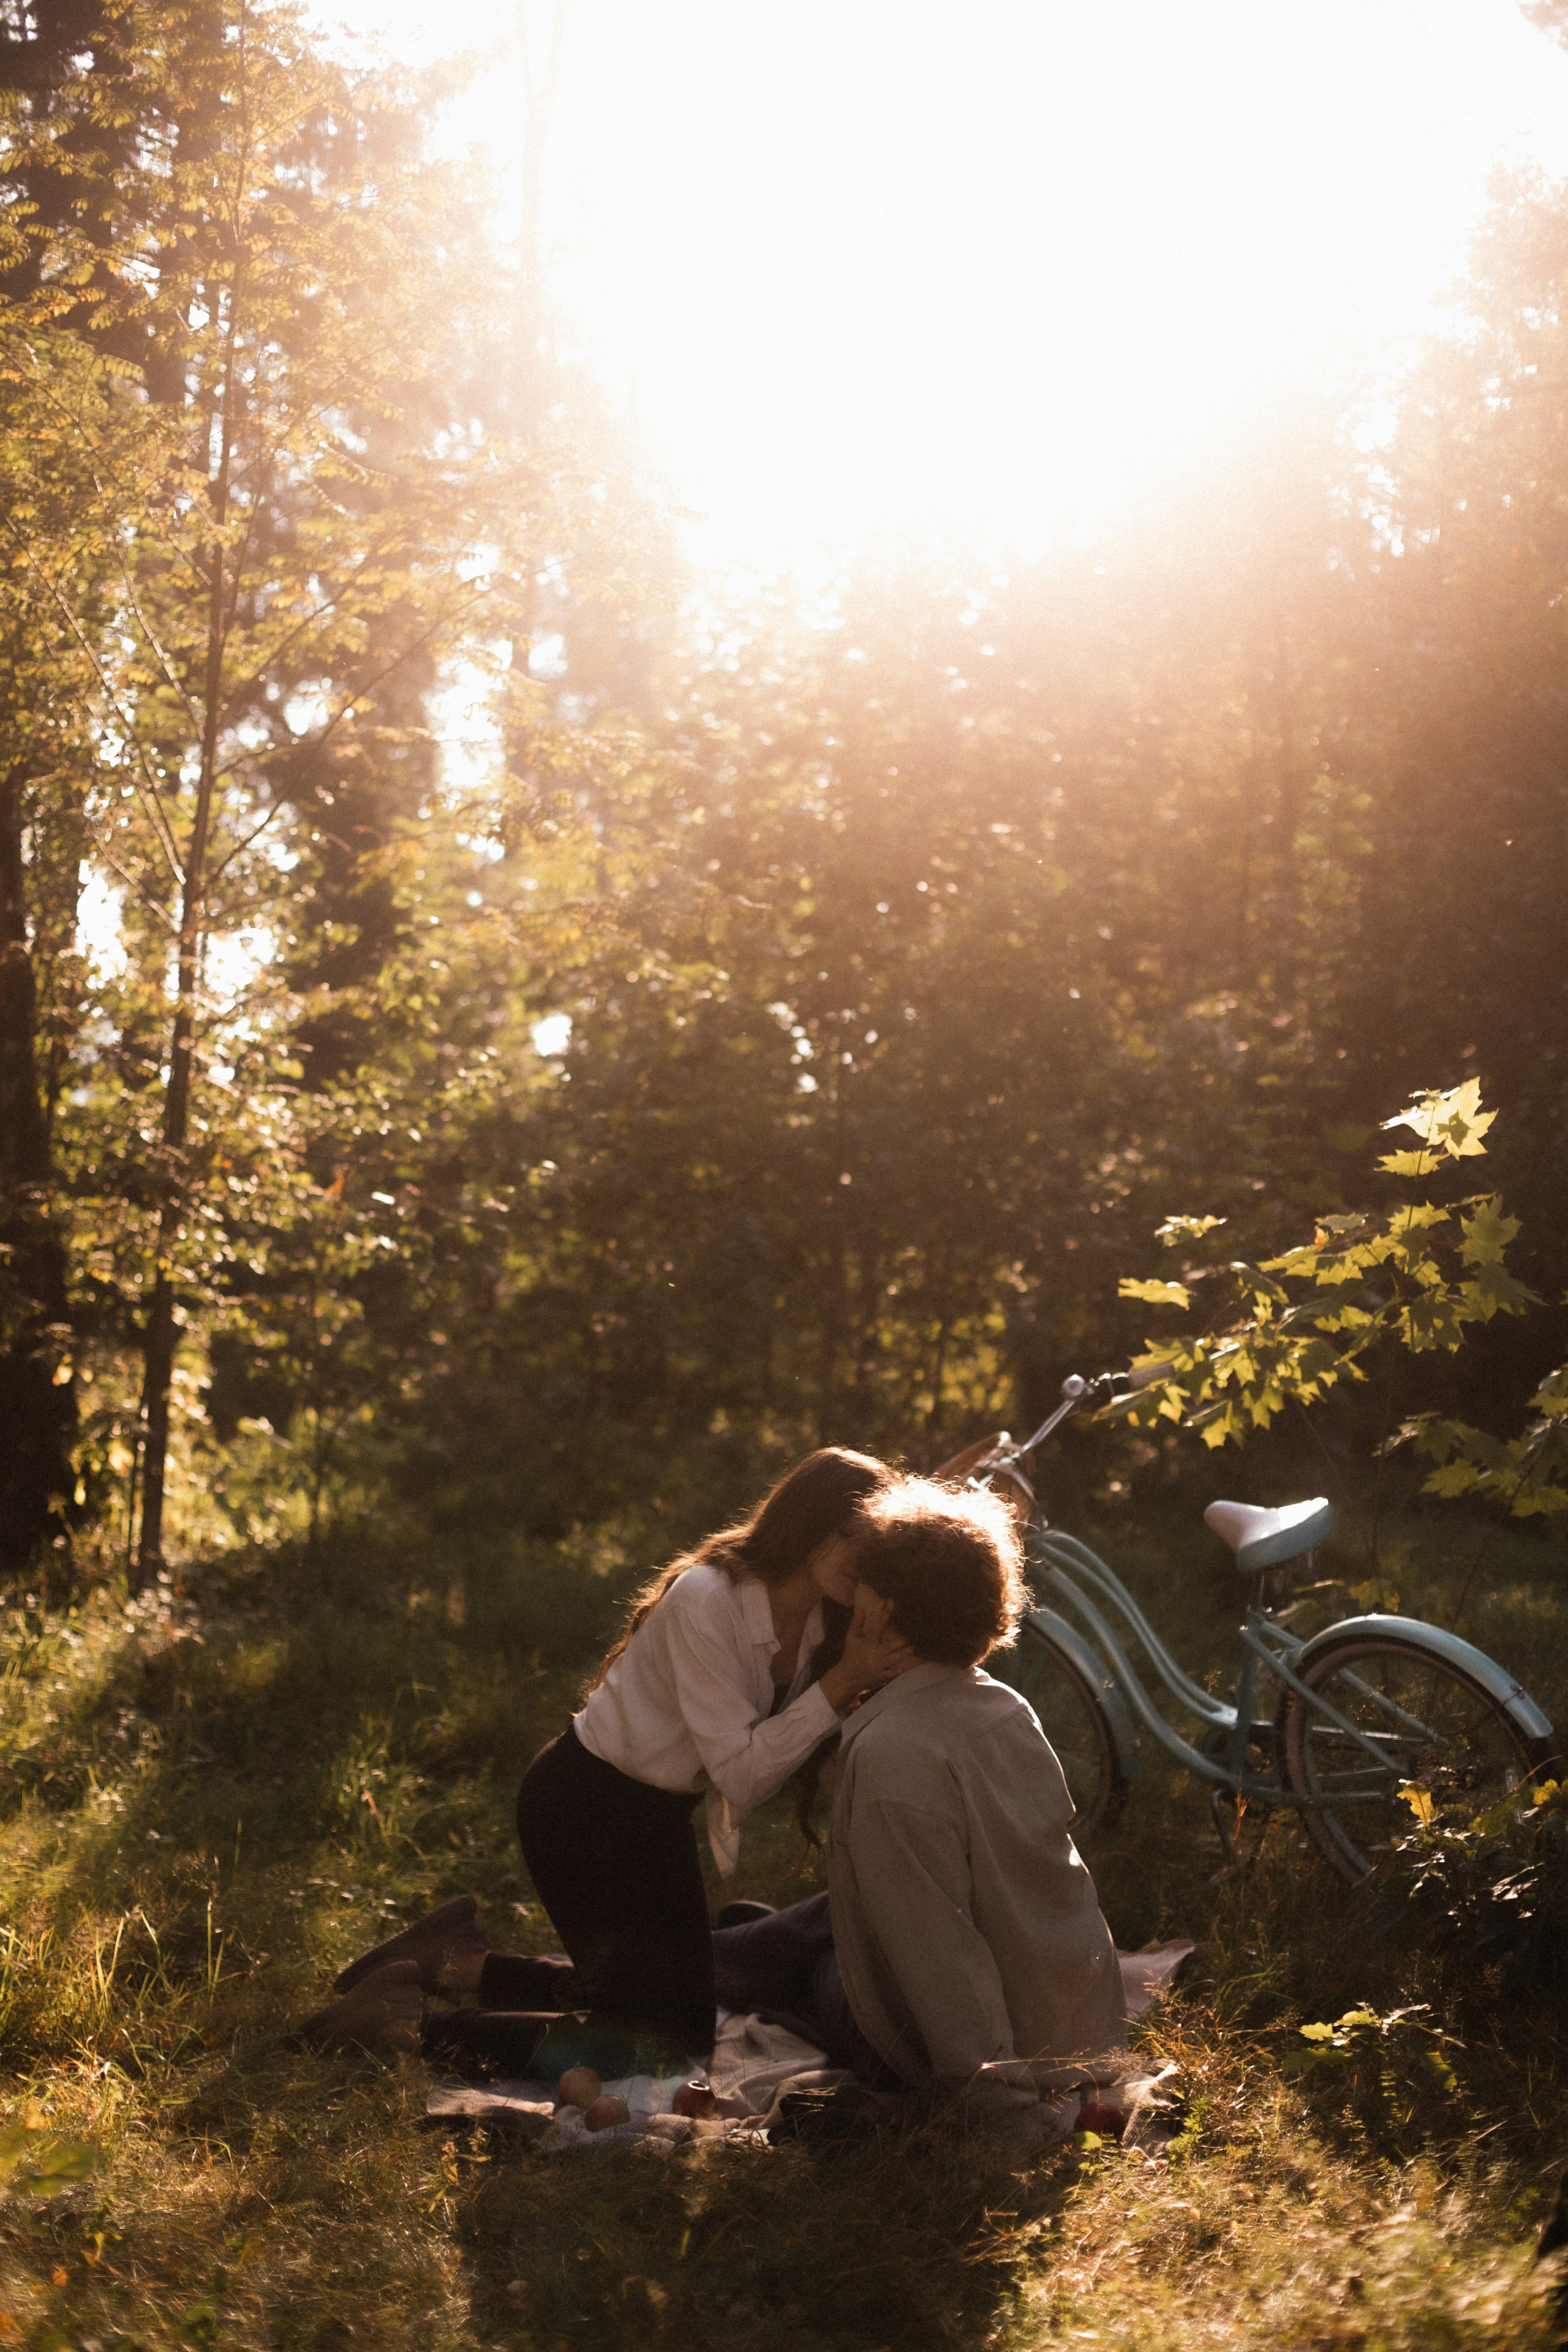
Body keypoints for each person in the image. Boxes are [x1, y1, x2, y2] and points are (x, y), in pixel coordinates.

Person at [300, 1448, 913, 2076]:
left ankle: (453, 1964)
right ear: (804, 1521)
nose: (862, 1557)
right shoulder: (709, 1599)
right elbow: (741, 1775)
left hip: (655, 1818)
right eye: (847, 1534)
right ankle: (400, 2026)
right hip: (582, 1808)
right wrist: (843, 1682)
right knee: (646, 2049)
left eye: (877, 1544)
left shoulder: (823, 1622)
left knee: (687, 2035)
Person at [710, 1474, 1127, 2152]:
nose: (850, 1598)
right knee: (807, 1930)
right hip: (1063, 2019)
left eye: (863, 1587)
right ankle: (738, 1940)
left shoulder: (891, 1755)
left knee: (803, 1968)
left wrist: (997, 2102)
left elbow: (938, 1955)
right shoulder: (1002, 1706)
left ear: (884, 1610)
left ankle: (707, 1955)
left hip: (960, 2046)